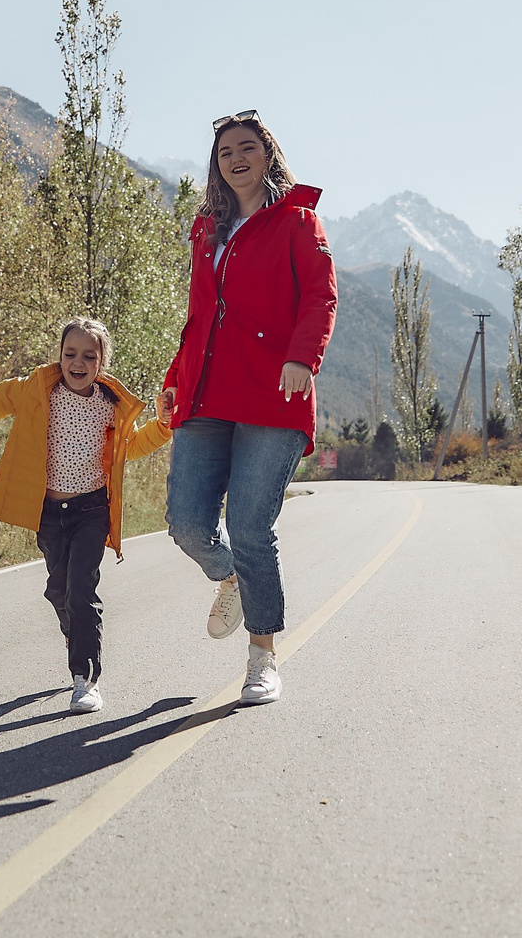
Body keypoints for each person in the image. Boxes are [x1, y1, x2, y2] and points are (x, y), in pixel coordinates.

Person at [159, 110, 337, 706]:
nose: (235, 158)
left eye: (247, 148)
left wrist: (302, 359)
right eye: (225, 151)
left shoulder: (297, 222)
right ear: (217, 163)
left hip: (274, 393)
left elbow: (320, 296)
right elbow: (197, 318)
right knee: (186, 523)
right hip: (206, 394)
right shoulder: (207, 229)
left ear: (268, 156)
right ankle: (228, 573)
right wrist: (172, 379)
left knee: (251, 527)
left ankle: (262, 656)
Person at [0, 316, 172, 714]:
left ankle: (85, 680)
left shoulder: (111, 404)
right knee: (58, 591)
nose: (78, 362)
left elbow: (131, 448)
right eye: (70, 354)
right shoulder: (36, 389)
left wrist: (164, 426)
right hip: (49, 512)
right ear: (59, 356)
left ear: (102, 361)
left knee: (81, 592)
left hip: (91, 510)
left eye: (89, 355)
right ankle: (74, 630)